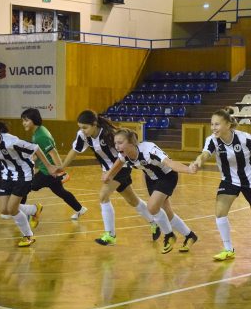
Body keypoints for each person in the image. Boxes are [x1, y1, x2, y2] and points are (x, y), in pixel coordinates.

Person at [191, 108, 251, 261]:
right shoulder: (212, 140)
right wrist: (197, 162)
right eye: (212, 124)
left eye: (217, 124)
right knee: (220, 212)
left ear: (228, 125)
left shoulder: (244, 138)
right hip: (229, 180)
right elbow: (205, 154)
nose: (213, 128)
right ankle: (228, 249)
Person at [59, 110, 163, 245]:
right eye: (80, 127)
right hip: (109, 170)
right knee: (132, 200)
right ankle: (154, 223)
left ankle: (110, 235)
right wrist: (62, 167)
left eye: (85, 127)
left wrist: (110, 172)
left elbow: (125, 150)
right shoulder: (83, 135)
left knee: (103, 196)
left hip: (121, 167)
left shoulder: (109, 134)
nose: (82, 130)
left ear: (94, 124)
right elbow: (75, 151)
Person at [103, 128, 198, 254]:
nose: (116, 146)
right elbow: (119, 161)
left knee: (152, 207)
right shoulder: (124, 154)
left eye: (120, 143)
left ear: (131, 142)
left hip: (167, 176)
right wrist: (109, 174)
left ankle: (169, 235)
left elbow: (170, 163)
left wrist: (188, 169)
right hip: (151, 179)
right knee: (167, 213)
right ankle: (190, 235)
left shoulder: (149, 150)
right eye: (115, 143)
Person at [0, 117, 59, 247]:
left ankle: (28, 236)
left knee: (12, 209)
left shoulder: (11, 142)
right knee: (4, 210)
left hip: (23, 174)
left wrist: (49, 166)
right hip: (8, 174)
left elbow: (35, 147)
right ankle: (34, 209)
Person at [20, 108, 86, 221]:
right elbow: (40, 153)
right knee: (61, 192)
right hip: (48, 171)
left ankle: (22, 211)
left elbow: (53, 152)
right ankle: (80, 209)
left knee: (24, 186)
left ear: (34, 120)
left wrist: (60, 170)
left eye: (26, 120)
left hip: (48, 172)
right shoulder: (38, 131)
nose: (23, 123)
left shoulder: (41, 136)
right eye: (23, 121)